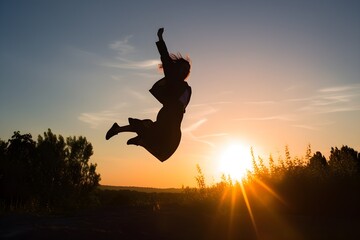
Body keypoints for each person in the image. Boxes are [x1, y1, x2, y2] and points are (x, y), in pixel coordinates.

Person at [105, 28, 192, 162]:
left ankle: (131, 135)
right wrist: (160, 38)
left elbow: (183, 107)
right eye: (183, 68)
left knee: (165, 151)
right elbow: (166, 59)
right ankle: (136, 137)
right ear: (177, 69)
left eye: (187, 69)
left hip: (175, 124)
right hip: (167, 118)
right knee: (150, 130)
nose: (185, 71)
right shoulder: (173, 79)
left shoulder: (187, 89)